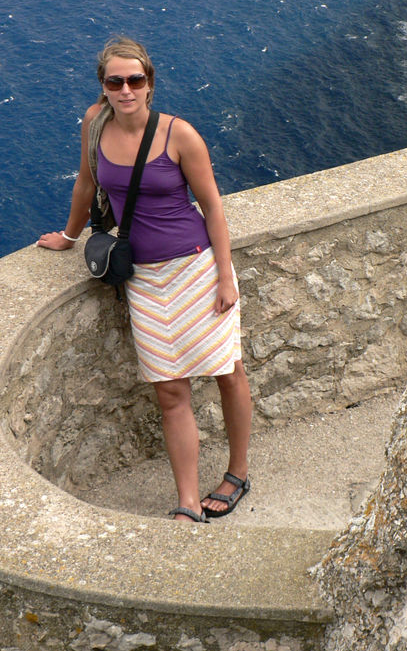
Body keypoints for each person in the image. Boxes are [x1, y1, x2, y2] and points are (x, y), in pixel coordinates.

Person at [37, 37, 252, 523]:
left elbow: (213, 206)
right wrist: (70, 238)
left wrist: (225, 277)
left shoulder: (181, 136)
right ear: (103, 87)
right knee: (170, 391)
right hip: (145, 280)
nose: (126, 89)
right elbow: (86, 185)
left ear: (150, 83)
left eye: (135, 79)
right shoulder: (95, 125)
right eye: (116, 81)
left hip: (196, 269)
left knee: (226, 370)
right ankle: (188, 502)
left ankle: (237, 471)